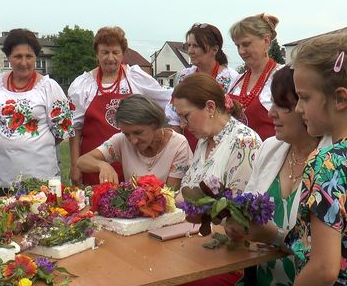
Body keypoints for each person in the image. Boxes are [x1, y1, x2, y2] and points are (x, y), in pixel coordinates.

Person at [229, 33, 347, 286]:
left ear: (339, 98)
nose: (300, 109)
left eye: (304, 98)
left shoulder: (328, 162)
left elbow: (324, 269)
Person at [226, 65, 331, 286]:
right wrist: (239, 224)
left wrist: (276, 236)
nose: (270, 112)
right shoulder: (271, 147)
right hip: (257, 284)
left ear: (309, 108)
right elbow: (250, 208)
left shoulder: (335, 163)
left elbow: (330, 261)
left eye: (282, 106)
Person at [158, 72, 261, 286]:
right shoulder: (204, 142)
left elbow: (238, 218)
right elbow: (189, 195)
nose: (183, 125)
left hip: (231, 255)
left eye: (186, 116)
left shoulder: (244, 142)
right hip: (196, 244)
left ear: (211, 107)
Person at [68, 26, 172, 187]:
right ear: (97, 54)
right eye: (105, 52)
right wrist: (75, 165)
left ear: (123, 53)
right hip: (95, 163)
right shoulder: (83, 85)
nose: (110, 58)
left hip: (134, 160)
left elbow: (167, 102)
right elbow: (75, 129)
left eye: (115, 52)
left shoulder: (136, 78)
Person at [0, 28, 75, 195]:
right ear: (8, 57)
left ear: (36, 57)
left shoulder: (49, 87)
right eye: (18, 56)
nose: (24, 62)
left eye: (29, 56)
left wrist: (33, 146)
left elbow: (62, 131)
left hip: (40, 181)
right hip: (1, 179)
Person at [76, 94, 192, 189]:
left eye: (138, 132)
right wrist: (102, 165)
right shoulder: (121, 140)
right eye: (127, 134)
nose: (133, 140)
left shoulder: (177, 145)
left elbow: (170, 195)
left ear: (154, 124)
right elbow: (81, 161)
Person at [166, 23, 239, 150]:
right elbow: (174, 115)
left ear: (214, 50)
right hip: (190, 142)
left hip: (221, 144)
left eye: (196, 46)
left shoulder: (231, 78)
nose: (190, 51)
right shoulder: (185, 76)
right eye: (188, 45)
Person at [228, 13, 282, 141]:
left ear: (266, 41)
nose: (241, 51)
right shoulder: (237, 80)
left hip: (269, 156)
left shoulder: (281, 77)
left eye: (246, 44)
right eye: (237, 46)